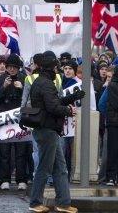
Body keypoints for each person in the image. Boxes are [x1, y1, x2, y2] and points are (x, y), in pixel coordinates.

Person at [27, 52, 81, 213]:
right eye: (57, 66)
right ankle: (35, 202)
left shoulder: (41, 81)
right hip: (47, 129)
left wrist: (71, 97)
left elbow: (51, 102)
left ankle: (63, 203)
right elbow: (53, 107)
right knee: (45, 168)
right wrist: (68, 111)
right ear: (52, 67)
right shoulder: (47, 83)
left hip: (47, 129)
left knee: (60, 168)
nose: (58, 69)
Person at [0, 54, 27, 191]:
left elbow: (30, 99)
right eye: (10, 67)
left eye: (14, 67)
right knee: (4, 152)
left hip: (20, 121)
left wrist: (22, 88)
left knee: (21, 151)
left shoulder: (24, 79)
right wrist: (4, 87)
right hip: (5, 121)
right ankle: (5, 179)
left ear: (18, 68)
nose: (12, 70)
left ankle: (21, 179)